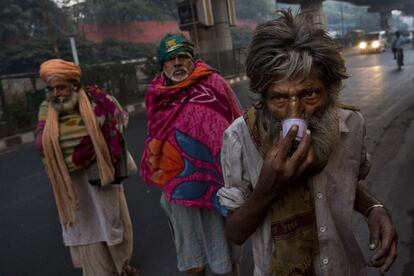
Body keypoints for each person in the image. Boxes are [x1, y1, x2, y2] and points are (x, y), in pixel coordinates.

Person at [217, 10, 398, 276]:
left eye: (310, 93)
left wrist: (373, 208)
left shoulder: (350, 125)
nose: (294, 113)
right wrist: (268, 189)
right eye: (279, 98)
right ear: (264, 99)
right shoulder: (240, 137)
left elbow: (340, 181)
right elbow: (235, 232)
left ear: (330, 91)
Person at [140, 34, 243, 275]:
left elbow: (238, 122)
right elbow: (154, 133)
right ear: (162, 65)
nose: (177, 63)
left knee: (224, 250)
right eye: (170, 59)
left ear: (192, 59)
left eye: (182, 57)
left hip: (217, 179)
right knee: (190, 251)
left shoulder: (213, 83)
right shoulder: (156, 94)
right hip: (180, 183)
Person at [35, 59, 138, 276]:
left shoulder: (97, 101)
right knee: (87, 226)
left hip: (101, 174)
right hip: (71, 183)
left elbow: (120, 119)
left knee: (112, 220)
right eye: (51, 89)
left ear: (74, 85)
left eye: (61, 87)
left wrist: (98, 143)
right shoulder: (46, 109)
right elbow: (40, 141)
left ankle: (123, 267)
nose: (56, 94)